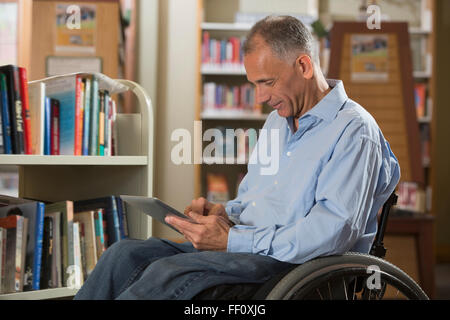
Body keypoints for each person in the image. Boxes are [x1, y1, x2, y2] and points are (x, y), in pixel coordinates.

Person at [74, 15, 400, 300]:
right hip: (249, 251)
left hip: (296, 268)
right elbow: (255, 199)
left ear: (303, 65)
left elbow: (330, 234)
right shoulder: (277, 123)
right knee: (125, 254)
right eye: (253, 84)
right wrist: (224, 215)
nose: (260, 98)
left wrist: (234, 240)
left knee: (167, 273)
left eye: (267, 82)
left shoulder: (355, 132)